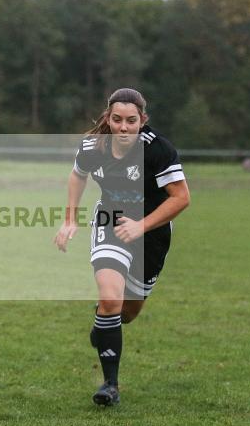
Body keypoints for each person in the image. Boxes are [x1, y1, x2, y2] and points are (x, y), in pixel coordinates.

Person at [54, 88, 190, 406]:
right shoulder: (93, 146)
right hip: (110, 220)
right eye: (117, 120)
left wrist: (141, 225)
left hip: (152, 232)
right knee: (110, 297)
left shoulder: (157, 150)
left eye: (131, 121)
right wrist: (70, 219)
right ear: (108, 118)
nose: (124, 127)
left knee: (127, 312)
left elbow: (182, 197)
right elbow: (77, 176)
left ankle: (104, 321)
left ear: (142, 120)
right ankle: (110, 385)